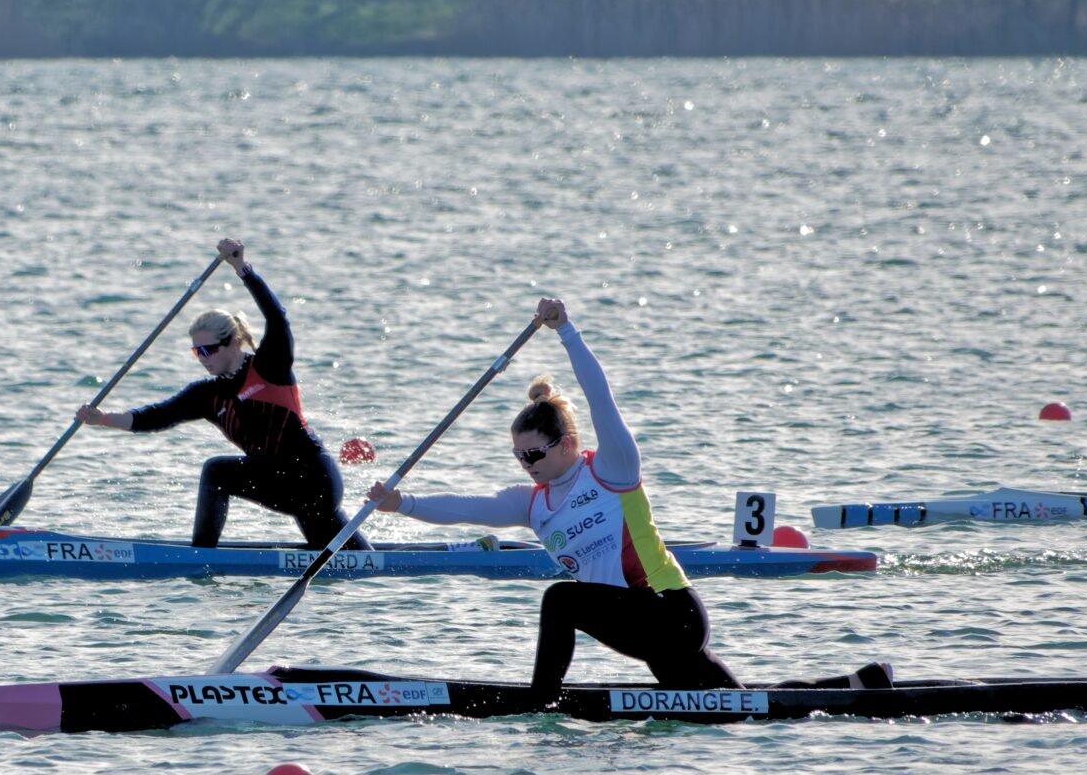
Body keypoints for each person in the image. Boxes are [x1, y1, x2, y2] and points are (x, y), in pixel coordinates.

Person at [368, 298, 889, 708]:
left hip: (671, 613)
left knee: (561, 600)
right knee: (734, 704)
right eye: (518, 455)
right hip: (642, 627)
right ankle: (857, 684)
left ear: (567, 443)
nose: (525, 464)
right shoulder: (534, 505)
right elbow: (467, 506)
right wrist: (401, 502)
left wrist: (566, 332)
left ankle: (538, 701)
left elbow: (600, 396)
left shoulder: (612, 469)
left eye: (534, 453)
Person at [76, 238, 369, 549]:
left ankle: (201, 554)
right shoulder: (206, 395)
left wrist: (242, 268)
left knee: (217, 471)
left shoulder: (270, 367)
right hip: (278, 482)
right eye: (196, 352)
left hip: (313, 479)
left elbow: (277, 318)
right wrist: (102, 418)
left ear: (233, 343)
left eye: (208, 349)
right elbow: (155, 417)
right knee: (349, 559)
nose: (203, 358)